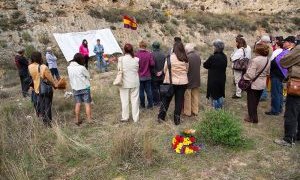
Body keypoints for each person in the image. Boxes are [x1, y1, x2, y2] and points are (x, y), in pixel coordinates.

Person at [274, 43, 300, 146]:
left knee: (291, 111)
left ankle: (288, 139)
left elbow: (283, 62)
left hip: (297, 85)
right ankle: (298, 135)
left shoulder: (298, 49)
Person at [157, 42, 189, 125]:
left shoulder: (169, 58)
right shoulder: (185, 58)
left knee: (166, 100)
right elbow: (187, 70)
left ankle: (161, 118)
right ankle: (177, 120)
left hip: (170, 82)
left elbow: (164, 70)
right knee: (179, 101)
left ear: (174, 48)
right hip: (183, 83)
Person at [265, 36, 295, 116]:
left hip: (278, 74)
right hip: (278, 74)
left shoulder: (288, 52)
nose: (283, 43)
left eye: (285, 42)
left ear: (290, 43)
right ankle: (279, 108)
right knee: (279, 92)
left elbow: (279, 63)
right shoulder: (287, 51)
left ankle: (275, 110)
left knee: (275, 93)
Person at [28, 52, 57, 127]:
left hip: (36, 89)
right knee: (47, 107)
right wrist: (55, 85)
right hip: (45, 89)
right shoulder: (43, 67)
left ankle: (44, 122)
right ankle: (48, 124)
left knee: (41, 106)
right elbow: (50, 79)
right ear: (39, 57)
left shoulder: (30, 67)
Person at [243, 43, 270, 123]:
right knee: (256, 102)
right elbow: (268, 73)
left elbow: (251, 75)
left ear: (258, 51)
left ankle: (252, 118)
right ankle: (254, 117)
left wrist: (245, 76)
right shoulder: (267, 60)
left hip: (254, 84)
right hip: (262, 83)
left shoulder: (255, 60)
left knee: (251, 102)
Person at [67, 53, 93, 126]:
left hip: (75, 88)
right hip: (84, 87)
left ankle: (77, 120)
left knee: (78, 104)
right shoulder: (81, 68)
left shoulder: (69, 68)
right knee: (87, 103)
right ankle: (89, 119)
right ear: (80, 60)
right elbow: (88, 76)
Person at [118, 44, 140, 122]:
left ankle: (125, 117)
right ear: (132, 50)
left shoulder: (120, 59)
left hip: (124, 83)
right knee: (135, 101)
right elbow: (137, 69)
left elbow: (119, 70)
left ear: (124, 50)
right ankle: (135, 118)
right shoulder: (136, 59)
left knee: (124, 101)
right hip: (134, 82)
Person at [203, 39, 227, 109]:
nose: (213, 48)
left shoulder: (213, 57)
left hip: (214, 80)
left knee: (214, 96)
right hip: (222, 79)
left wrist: (210, 59)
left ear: (216, 48)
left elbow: (205, 65)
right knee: (220, 94)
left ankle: (216, 113)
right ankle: (220, 110)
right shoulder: (224, 56)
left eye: (214, 46)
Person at [135, 41, 155, 108]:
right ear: (145, 46)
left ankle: (142, 105)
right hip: (147, 75)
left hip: (139, 76)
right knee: (149, 91)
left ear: (140, 46)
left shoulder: (136, 54)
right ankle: (150, 105)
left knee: (141, 92)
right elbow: (152, 64)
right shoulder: (149, 54)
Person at [183, 43, 201, 116]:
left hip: (189, 80)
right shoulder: (198, 56)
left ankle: (188, 112)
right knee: (195, 96)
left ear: (187, 50)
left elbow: (185, 70)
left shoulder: (187, 57)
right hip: (196, 79)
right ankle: (195, 111)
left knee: (187, 97)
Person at [257, 35, 273, 101]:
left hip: (265, 65)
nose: (260, 42)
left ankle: (263, 95)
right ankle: (263, 94)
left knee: (263, 80)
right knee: (264, 80)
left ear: (264, 41)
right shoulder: (269, 47)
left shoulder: (267, 48)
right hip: (266, 65)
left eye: (262, 41)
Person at [151, 41, 166, 106]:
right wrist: (162, 71)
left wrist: (155, 72)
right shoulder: (163, 54)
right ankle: (163, 101)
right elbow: (166, 65)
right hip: (162, 75)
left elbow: (151, 66)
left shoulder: (151, 54)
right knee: (162, 88)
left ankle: (156, 102)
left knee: (154, 89)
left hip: (154, 75)